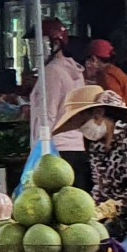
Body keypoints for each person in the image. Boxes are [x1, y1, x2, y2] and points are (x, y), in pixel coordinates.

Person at [65, 86, 127, 252]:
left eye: (82, 120)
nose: (80, 128)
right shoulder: (97, 147)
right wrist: (89, 212)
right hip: (118, 225)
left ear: (99, 114)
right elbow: (100, 187)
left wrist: (114, 207)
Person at [34, 18, 87, 164]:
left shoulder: (53, 71)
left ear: (55, 43)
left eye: (37, 43)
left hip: (55, 147)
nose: (33, 50)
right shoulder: (74, 71)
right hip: (76, 143)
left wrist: (40, 147)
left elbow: (48, 112)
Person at [86, 39, 127, 125]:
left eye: (88, 59)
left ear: (94, 59)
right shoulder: (113, 71)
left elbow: (115, 106)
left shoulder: (107, 76)